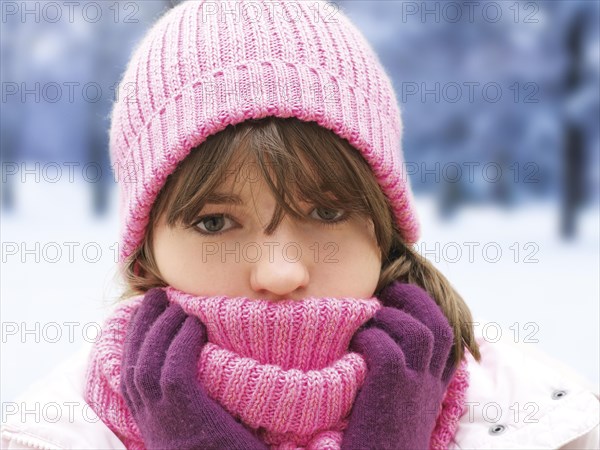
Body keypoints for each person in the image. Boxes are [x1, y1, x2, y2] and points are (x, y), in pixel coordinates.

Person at [2, 1, 598, 448]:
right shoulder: (53, 432)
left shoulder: (549, 424)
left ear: (384, 225)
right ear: (145, 254)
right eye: (214, 222)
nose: (280, 272)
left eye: (328, 212)